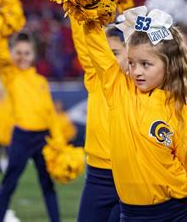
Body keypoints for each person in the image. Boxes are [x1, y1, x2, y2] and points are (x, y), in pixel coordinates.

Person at [79, 6, 187, 220]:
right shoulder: (119, 91)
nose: (136, 71)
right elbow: (95, 47)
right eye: (132, 63)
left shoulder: (181, 112)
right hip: (133, 214)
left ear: (169, 66)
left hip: (176, 212)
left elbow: (184, 166)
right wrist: (85, 9)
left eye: (146, 64)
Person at [0, 32, 59, 222]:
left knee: (47, 184)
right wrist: (2, 32)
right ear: (12, 53)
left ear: (34, 55)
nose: (22, 57)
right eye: (18, 52)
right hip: (22, 136)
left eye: (27, 53)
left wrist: (58, 140)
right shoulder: (10, 76)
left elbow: (50, 113)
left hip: (43, 138)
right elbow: (0, 54)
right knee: (9, 184)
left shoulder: (41, 81)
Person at [70, 19, 127, 221]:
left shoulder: (139, 84)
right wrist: (78, 8)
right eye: (107, 53)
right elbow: (83, 41)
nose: (109, 60)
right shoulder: (96, 76)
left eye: (116, 53)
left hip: (130, 177)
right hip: (98, 175)